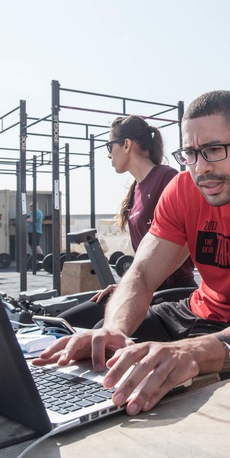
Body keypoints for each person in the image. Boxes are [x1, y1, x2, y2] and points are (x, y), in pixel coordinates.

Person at [35, 90, 230, 416]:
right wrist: (115, 328)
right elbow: (141, 274)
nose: (200, 168)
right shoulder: (183, 190)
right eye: (190, 153)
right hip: (192, 314)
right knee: (90, 351)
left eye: (213, 150)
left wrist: (191, 353)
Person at [60, 115, 196, 327]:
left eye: (109, 146)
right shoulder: (136, 190)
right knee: (66, 322)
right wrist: (128, 285)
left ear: (126, 145)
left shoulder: (167, 178)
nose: (108, 155)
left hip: (173, 289)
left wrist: (142, 284)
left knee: (98, 330)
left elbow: (189, 240)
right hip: (145, 287)